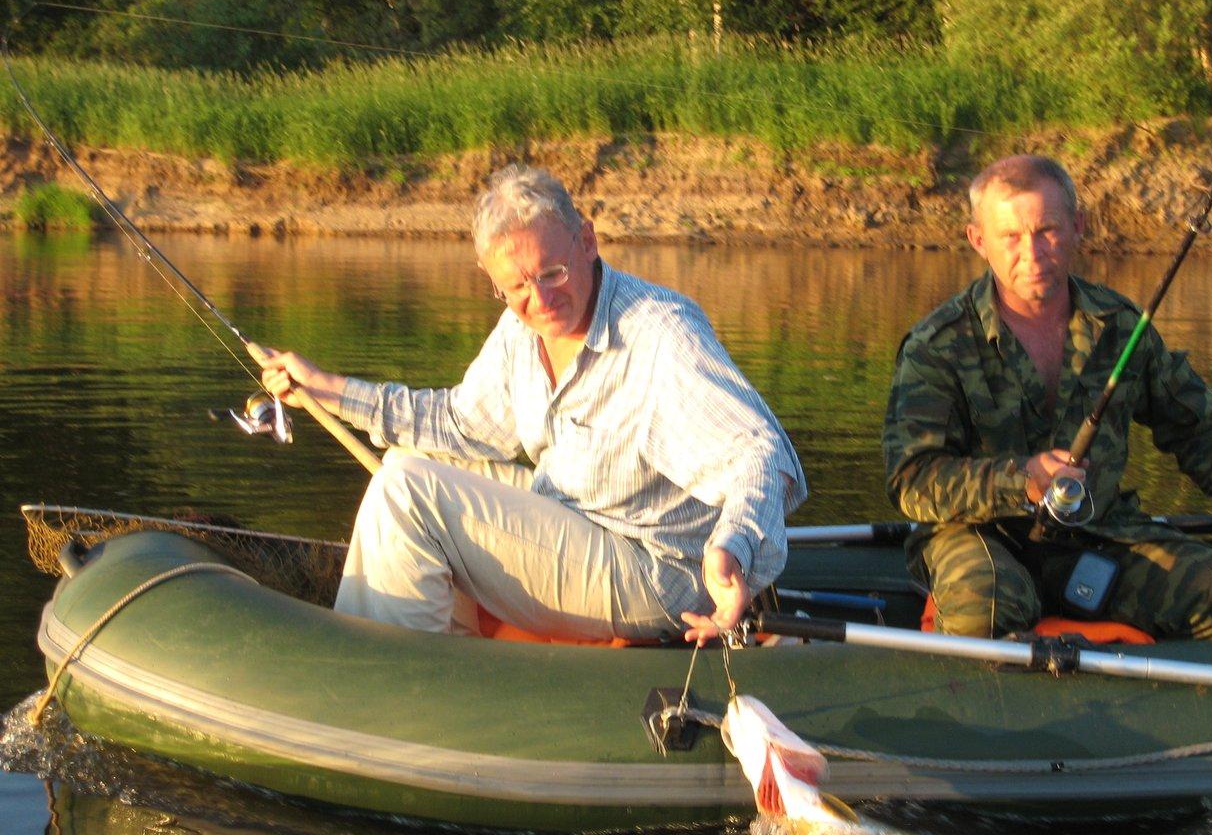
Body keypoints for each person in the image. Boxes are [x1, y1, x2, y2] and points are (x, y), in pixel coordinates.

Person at [254, 164, 806, 646]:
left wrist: (731, 549)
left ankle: (390, 676)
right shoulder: (520, 332)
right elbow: (456, 425)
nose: (538, 301)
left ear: (586, 241)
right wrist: (326, 387)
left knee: (406, 495)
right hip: (575, 519)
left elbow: (764, 455)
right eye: (515, 288)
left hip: (659, 571)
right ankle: (447, 650)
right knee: (404, 464)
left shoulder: (660, 334)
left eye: (552, 273)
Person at [882, 154, 1212, 640]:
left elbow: (1192, 425)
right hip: (977, 535)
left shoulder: (1121, 324)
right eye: (1010, 237)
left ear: (1078, 227)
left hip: (1101, 533)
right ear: (978, 241)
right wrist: (1023, 479)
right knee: (983, 608)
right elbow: (912, 480)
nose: (1032, 254)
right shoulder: (937, 343)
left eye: (1047, 231)